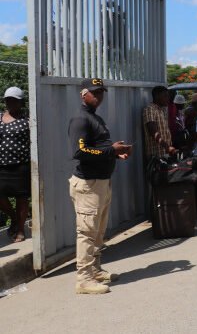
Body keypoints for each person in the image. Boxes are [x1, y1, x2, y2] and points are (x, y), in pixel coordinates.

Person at [68, 78, 132, 294]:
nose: (99, 96)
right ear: (83, 94)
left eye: (101, 92)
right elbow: (79, 152)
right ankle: (83, 279)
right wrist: (110, 151)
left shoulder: (95, 118)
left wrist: (115, 153)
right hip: (88, 184)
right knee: (86, 232)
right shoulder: (80, 119)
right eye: (95, 93)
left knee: (97, 233)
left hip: (101, 183)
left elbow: (99, 149)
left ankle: (94, 270)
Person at [0, 87, 30, 243]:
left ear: (20, 102)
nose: (10, 102)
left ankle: (20, 229)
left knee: (21, 199)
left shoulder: (27, 119)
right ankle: (13, 217)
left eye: (14, 100)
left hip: (20, 166)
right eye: (8, 100)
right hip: (1, 165)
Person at [143, 86, 176, 162]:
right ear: (157, 96)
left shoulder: (162, 110)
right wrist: (167, 147)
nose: (168, 99)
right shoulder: (150, 109)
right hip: (156, 156)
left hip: (165, 154)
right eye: (165, 96)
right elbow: (153, 132)